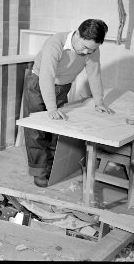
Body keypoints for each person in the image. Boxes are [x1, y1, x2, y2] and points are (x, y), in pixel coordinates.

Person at [23, 19, 114, 187]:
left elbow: (94, 74)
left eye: (91, 49)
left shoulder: (92, 49)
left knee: (58, 128)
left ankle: (51, 166)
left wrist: (99, 102)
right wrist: (51, 107)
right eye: (85, 47)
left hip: (62, 86)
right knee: (36, 130)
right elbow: (46, 76)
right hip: (38, 83)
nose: (87, 52)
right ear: (78, 34)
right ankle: (39, 171)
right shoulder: (54, 44)